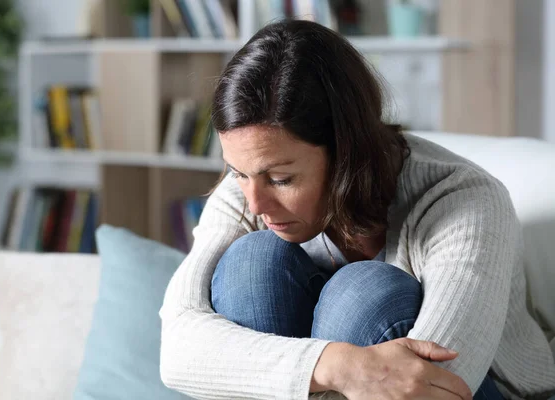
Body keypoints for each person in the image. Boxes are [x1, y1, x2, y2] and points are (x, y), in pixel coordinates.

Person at [159, 20, 555, 399]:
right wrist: (341, 366)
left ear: (346, 152)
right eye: (238, 172)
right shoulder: (247, 190)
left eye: (281, 179)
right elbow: (177, 350)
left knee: (365, 294)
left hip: (479, 388)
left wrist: (269, 378)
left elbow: (434, 386)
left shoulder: (465, 201)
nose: (255, 203)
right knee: (251, 259)